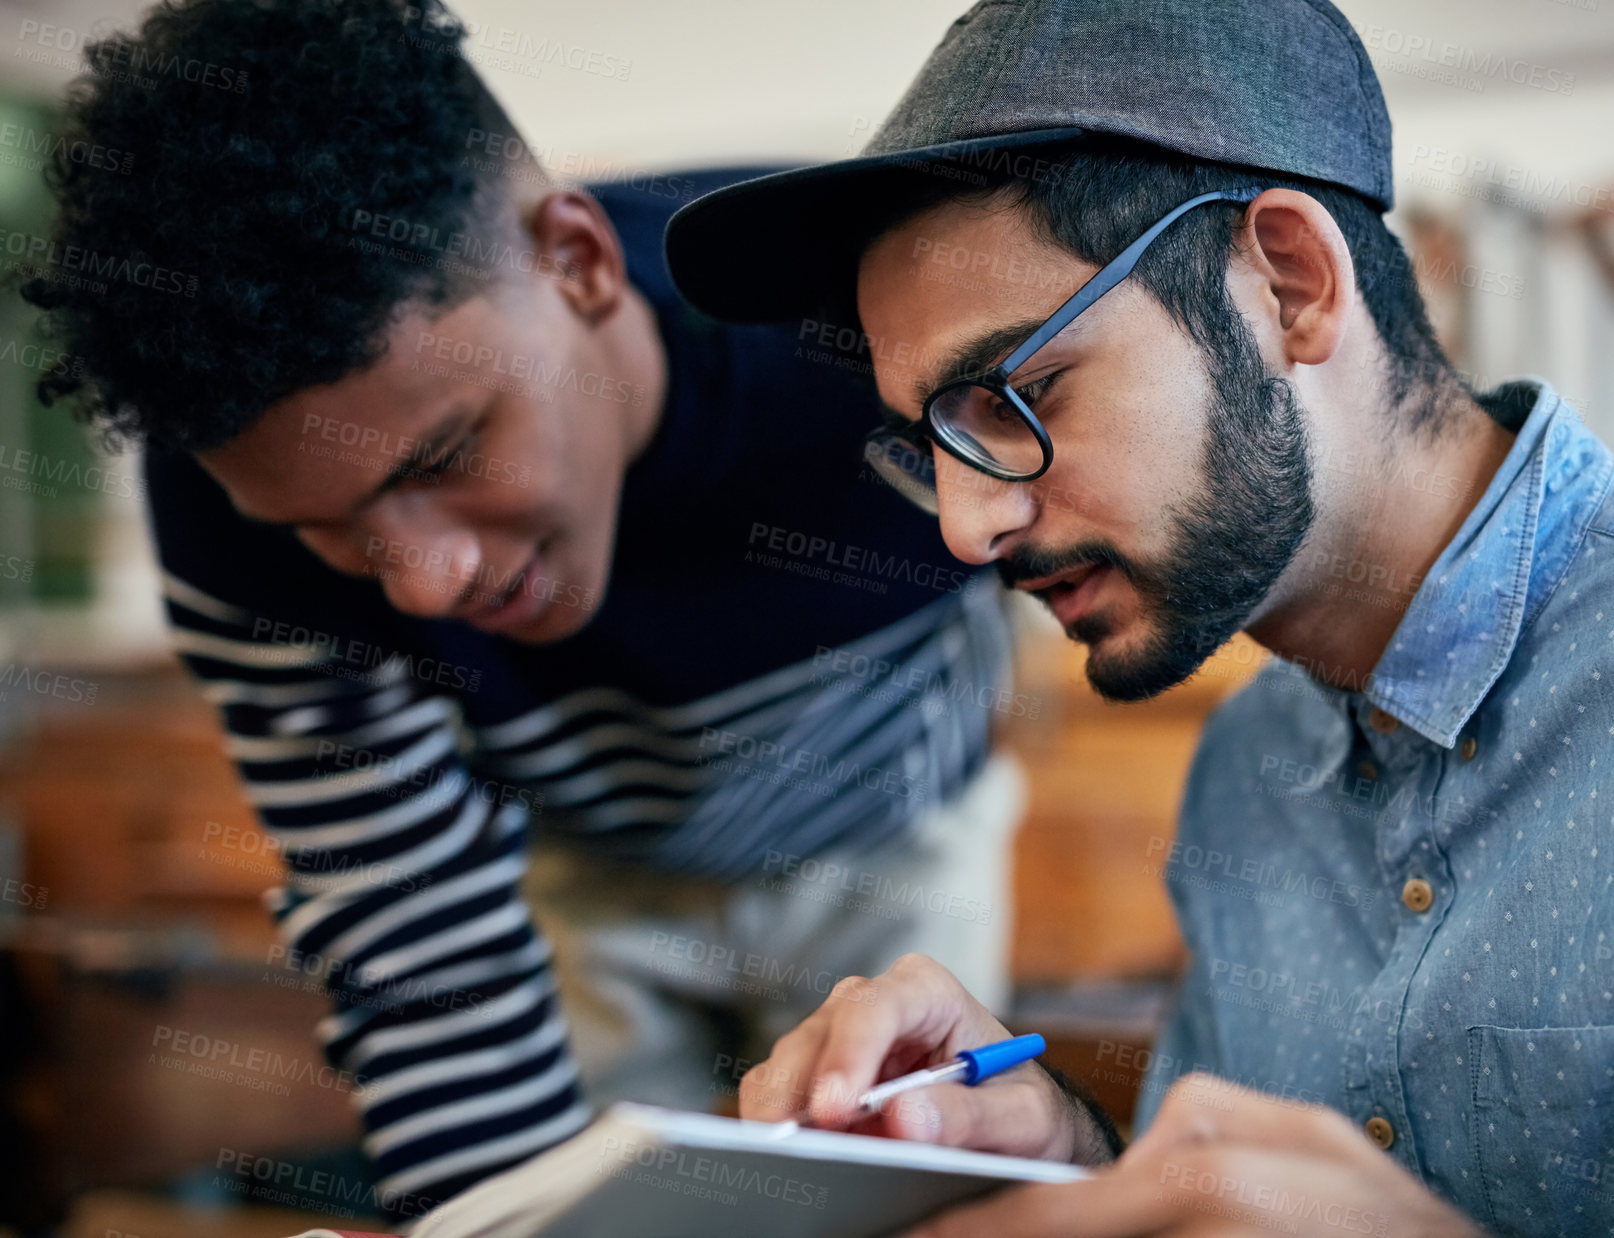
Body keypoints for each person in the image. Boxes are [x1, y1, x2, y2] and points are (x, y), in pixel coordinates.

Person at [16, 0, 1026, 1220]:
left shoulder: (874, 332)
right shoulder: (231, 503)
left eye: (443, 453)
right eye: (323, 526)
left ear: (579, 262)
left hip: (893, 848)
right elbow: (412, 926)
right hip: (584, 873)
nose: (422, 585)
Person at [664, 0, 1613, 1233]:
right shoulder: (1247, 770)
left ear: (1290, 282)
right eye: (932, 443)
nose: (964, 528)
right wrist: (1067, 1148)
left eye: (1016, 393)